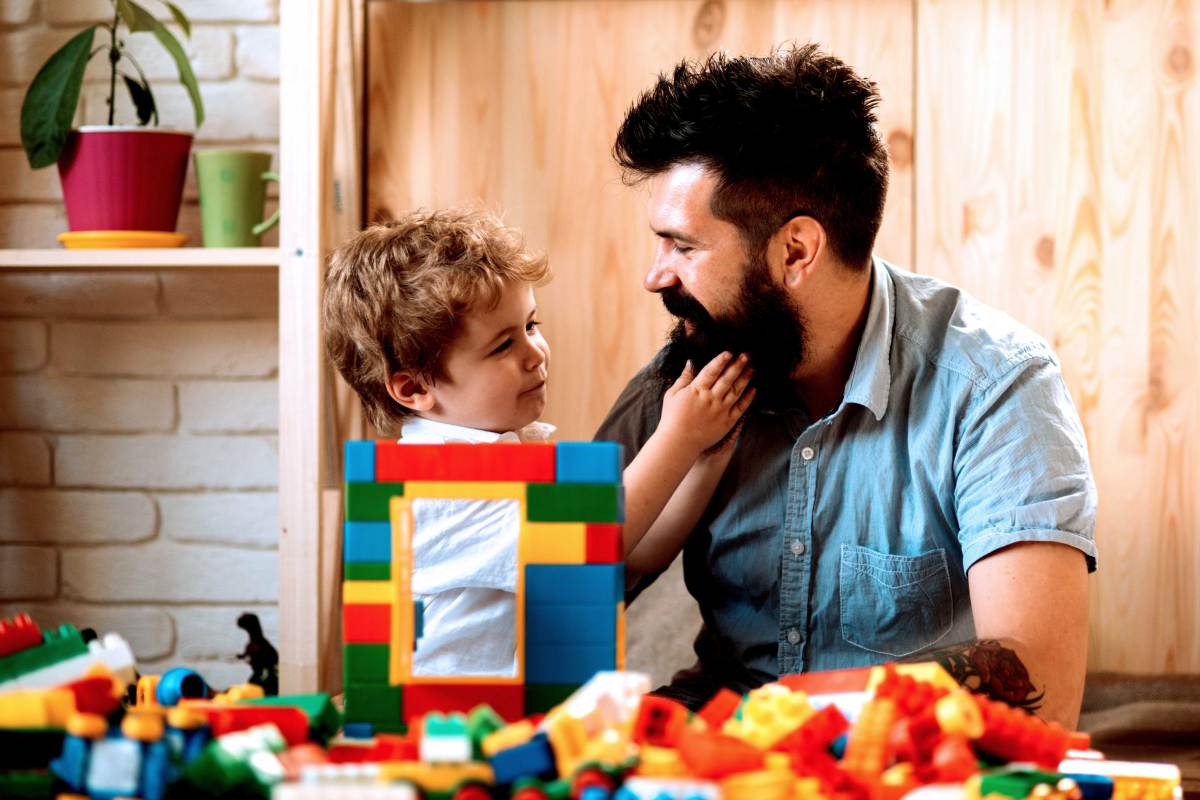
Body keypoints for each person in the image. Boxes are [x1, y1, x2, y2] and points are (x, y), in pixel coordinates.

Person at [595, 44, 1098, 728]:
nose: (656, 276)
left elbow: (1038, 682)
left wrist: (781, 719)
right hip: (701, 750)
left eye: (683, 246)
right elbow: (560, 590)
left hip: (896, 762)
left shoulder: (994, 386)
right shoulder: (689, 378)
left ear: (796, 251)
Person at [322, 208, 755, 675]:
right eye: (502, 346)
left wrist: (709, 452)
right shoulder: (435, 484)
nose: (536, 354)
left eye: (531, 326)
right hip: (446, 723)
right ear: (413, 388)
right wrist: (679, 436)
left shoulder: (508, 451)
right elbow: (592, 541)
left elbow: (639, 551)